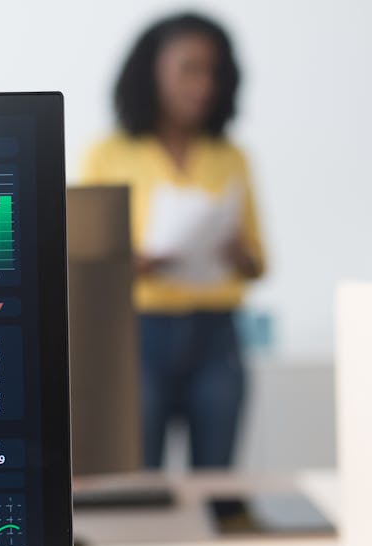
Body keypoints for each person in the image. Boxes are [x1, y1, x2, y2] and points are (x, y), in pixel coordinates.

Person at [81, 12, 265, 469]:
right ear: (153, 71)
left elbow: (260, 262)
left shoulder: (232, 157)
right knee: (138, 481)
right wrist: (134, 263)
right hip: (140, 334)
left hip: (217, 334)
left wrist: (238, 255)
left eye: (213, 72)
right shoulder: (108, 154)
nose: (202, 84)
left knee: (216, 482)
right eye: (189, 68)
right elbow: (86, 266)